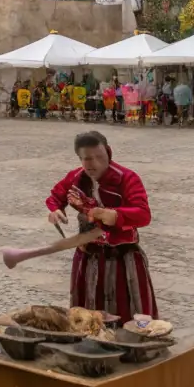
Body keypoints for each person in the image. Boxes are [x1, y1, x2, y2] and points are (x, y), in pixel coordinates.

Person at [45, 130, 158, 320]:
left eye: (100, 156)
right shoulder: (75, 178)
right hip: (87, 256)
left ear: (108, 152)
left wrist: (116, 215)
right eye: (87, 158)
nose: (94, 163)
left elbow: (143, 215)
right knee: (86, 317)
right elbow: (56, 196)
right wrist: (56, 210)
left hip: (122, 258)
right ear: (80, 158)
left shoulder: (127, 178)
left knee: (127, 315)